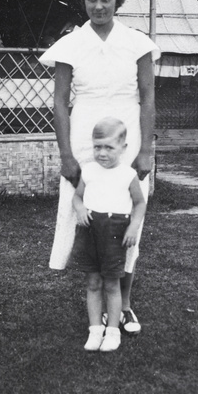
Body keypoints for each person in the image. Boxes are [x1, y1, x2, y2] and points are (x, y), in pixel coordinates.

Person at [39, 0, 160, 335]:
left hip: (127, 139)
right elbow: (60, 103)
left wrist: (146, 151)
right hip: (83, 141)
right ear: (83, 3)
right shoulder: (70, 44)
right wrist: (66, 156)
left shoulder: (137, 42)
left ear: (117, 1)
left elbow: (149, 97)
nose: (99, 6)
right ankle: (100, 301)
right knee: (89, 221)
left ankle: (123, 305)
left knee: (124, 220)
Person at [71, 117, 147, 351]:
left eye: (108, 147)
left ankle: (113, 332)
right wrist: (80, 208)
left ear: (123, 149)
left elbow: (140, 203)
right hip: (90, 229)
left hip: (115, 231)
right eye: (97, 147)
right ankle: (95, 330)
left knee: (112, 283)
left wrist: (134, 226)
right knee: (93, 282)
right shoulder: (89, 171)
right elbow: (77, 196)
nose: (102, 153)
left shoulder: (127, 175)